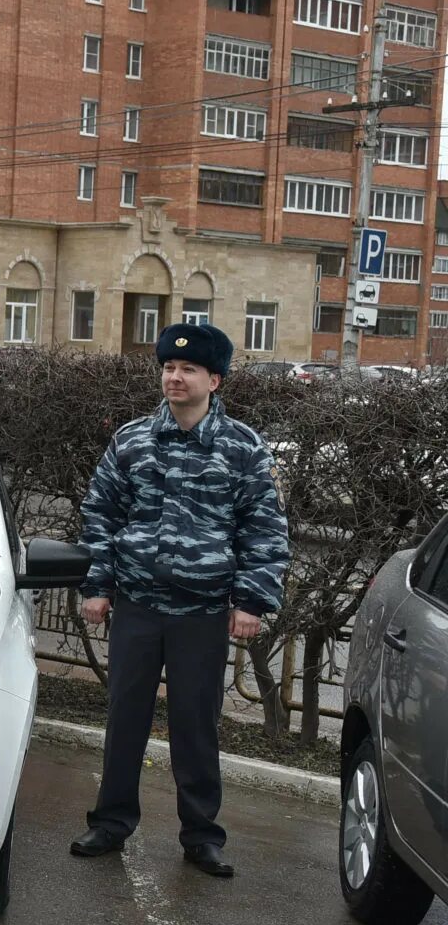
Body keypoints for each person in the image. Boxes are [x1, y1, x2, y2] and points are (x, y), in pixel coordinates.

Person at [70, 322, 289, 878]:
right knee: (125, 719)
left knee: (196, 724)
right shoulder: (133, 439)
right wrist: (97, 585)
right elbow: (101, 514)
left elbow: (263, 529)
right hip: (138, 605)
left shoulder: (243, 447)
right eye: (169, 367)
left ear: (214, 380)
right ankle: (111, 822)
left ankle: (201, 835)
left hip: (203, 610)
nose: (175, 377)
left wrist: (252, 602)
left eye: (189, 369)